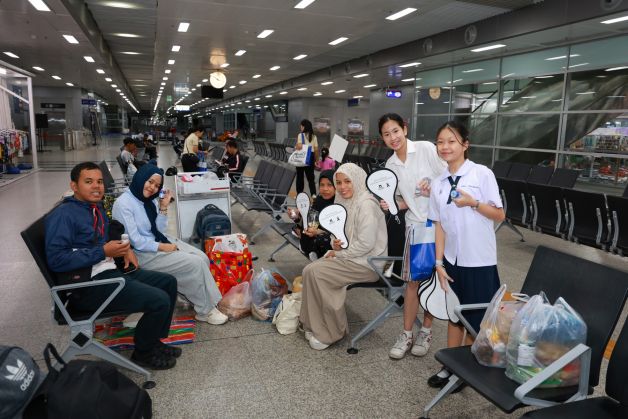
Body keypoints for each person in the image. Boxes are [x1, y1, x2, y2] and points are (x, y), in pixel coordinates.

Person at [45, 162, 180, 370]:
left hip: (108, 271)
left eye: (99, 181)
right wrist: (103, 252)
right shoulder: (64, 215)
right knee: (159, 300)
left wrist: (126, 249)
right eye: (88, 182)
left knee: (168, 283)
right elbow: (56, 259)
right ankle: (143, 353)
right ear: (74, 186)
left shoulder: (93, 207)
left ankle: (153, 341)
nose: (96, 186)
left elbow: (104, 234)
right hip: (87, 286)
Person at [427, 121, 505, 389]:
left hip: (479, 260)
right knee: (454, 315)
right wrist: (438, 262)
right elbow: (439, 225)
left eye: (451, 141)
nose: (445, 147)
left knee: (476, 319)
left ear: (465, 145)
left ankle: (467, 370)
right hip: (451, 260)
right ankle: (450, 365)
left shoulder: (481, 174)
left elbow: (499, 214)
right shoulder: (438, 183)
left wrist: (473, 203)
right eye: (440, 142)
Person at [112, 164, 229, 325]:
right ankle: (206, 310)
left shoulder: (149, 200)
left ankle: (195, 297)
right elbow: (135, 241)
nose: (152, 188)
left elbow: (159, 230)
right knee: (194, 264)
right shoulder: (123, 203)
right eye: (150, 182)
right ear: (140, 178)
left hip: (157, 240)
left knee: (202, 257)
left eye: (157, 185)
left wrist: (163, 207)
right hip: (140, 254)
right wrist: (163, 247)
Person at [377, 113, 447, 360]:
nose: (393, 137)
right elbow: (404, 199)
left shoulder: (426, 149)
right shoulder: (390, 166)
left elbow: (450, 178)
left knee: (434, 280)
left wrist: (433, 185)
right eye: (387, 134)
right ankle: (406, 334)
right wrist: (393, 205)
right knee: (412, 283)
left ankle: (426, 331)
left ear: (405, 129)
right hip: (415, 227)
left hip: (440, 226)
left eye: (395, 131)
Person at [300, 163, 388, 350]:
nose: (342, 187)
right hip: (351, 258)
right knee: (309, 270)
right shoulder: (343, 202)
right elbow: (336, 235)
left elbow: (366, 244)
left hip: (368, 264)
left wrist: (339, 253)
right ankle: (313, 325)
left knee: (318, 273)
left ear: (357, 180)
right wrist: (335, 245)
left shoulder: (366, 204)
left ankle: (331, 333)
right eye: (338, 183)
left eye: (348, 181)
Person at [292, 170, 336, 261]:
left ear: (336, 186)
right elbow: (312, 222)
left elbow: (338, 231)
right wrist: (296, 217)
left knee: (323, 240)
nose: (325, 189)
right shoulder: (319, 200)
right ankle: (308, 248)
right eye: (322, 185)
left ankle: (314, 251)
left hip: (329, 239)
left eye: (329, 185)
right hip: (313, 236)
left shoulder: (338, 204)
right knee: (306, 224)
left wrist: (319, 232)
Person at [294, 119, 318, 196]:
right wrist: (316, 160)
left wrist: (296, 146)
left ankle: (299, 194)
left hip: (302, 157)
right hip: (310, 156)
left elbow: (299, 147)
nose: (300, 128)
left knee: (300, 177)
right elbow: (316, 150)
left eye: (301, 126)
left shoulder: (300, 135)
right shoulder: (314, 136)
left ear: (304, 127)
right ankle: (313, 194)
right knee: (311, 178)